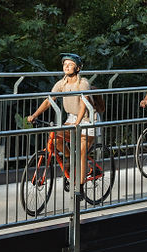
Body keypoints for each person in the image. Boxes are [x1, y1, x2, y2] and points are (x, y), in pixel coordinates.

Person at [27, 53, 100, 181]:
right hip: (72, 117)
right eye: (65, 64)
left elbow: (84, 105)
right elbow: (49, 100)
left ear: (77, 68)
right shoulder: (62, 83)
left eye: (70, 64)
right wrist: (34, 115)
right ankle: (70, 159)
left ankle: (79, 189)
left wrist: (77, 123)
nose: (66, 66)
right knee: (56, 139)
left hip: (88, 120)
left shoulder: (83, 83)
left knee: (82, 153)